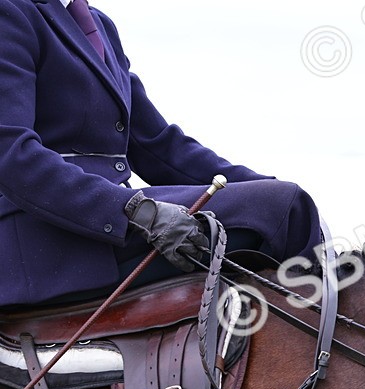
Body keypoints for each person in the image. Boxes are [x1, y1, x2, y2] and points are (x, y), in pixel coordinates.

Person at [0, 0, 324, 308]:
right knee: (282, 207)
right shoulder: (11, 12)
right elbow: (11, 155)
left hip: (117, 218)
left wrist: (264, 187)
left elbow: (158, 145)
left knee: (285, 209)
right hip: (53, 238)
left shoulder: (99, 25)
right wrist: (136, 212)